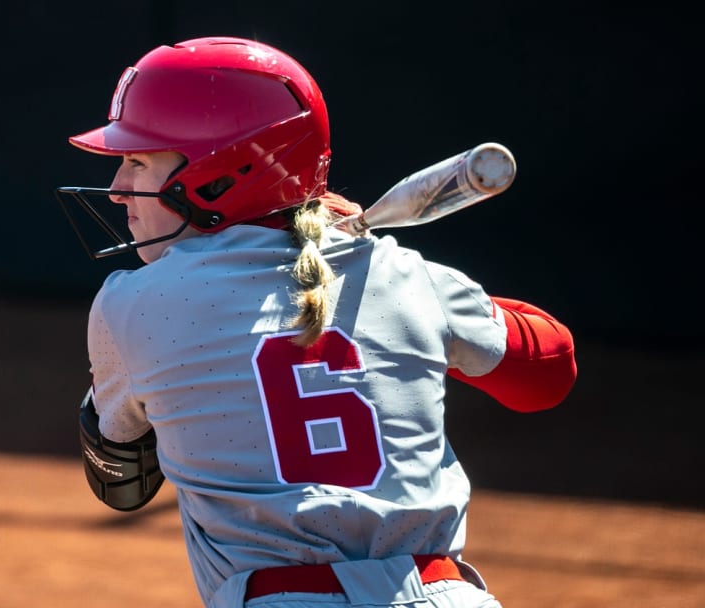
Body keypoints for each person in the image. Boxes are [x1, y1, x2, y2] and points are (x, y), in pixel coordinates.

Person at [54, 36, 577, 608]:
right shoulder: (403, 275)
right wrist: (414, 301)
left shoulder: (131, 304)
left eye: (137, 161)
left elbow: (122, 480)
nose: (117, 190)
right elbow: (546, 374)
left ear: (221, 175)